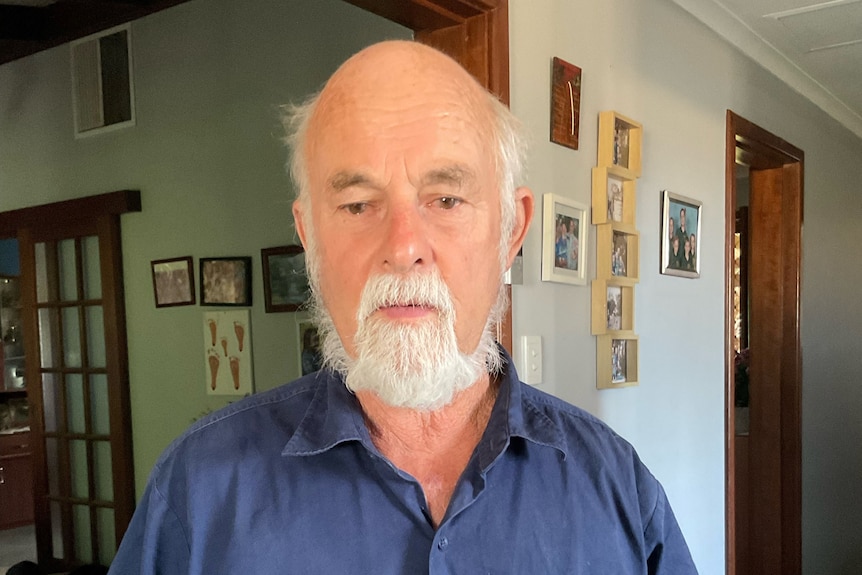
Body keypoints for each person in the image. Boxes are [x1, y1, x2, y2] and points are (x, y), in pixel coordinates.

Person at [108, 40, 697, 574]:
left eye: (446, 198)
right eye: (359, 205)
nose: (404, 248)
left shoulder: (618, 488)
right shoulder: (197, 492)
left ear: (511, 230)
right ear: (309, 235)